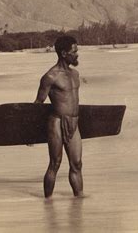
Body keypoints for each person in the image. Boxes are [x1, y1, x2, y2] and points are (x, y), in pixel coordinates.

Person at [34, 35, 83, 198]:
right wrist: (29, 130)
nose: (77, 54)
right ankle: (47, 201)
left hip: (74, 123)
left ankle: (79, 201)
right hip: (57, 122)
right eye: (74, 51)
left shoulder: (75, 74)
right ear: (64, 53)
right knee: (55, 163)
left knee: (77, 164)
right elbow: (38, 103)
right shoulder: (50, 76)